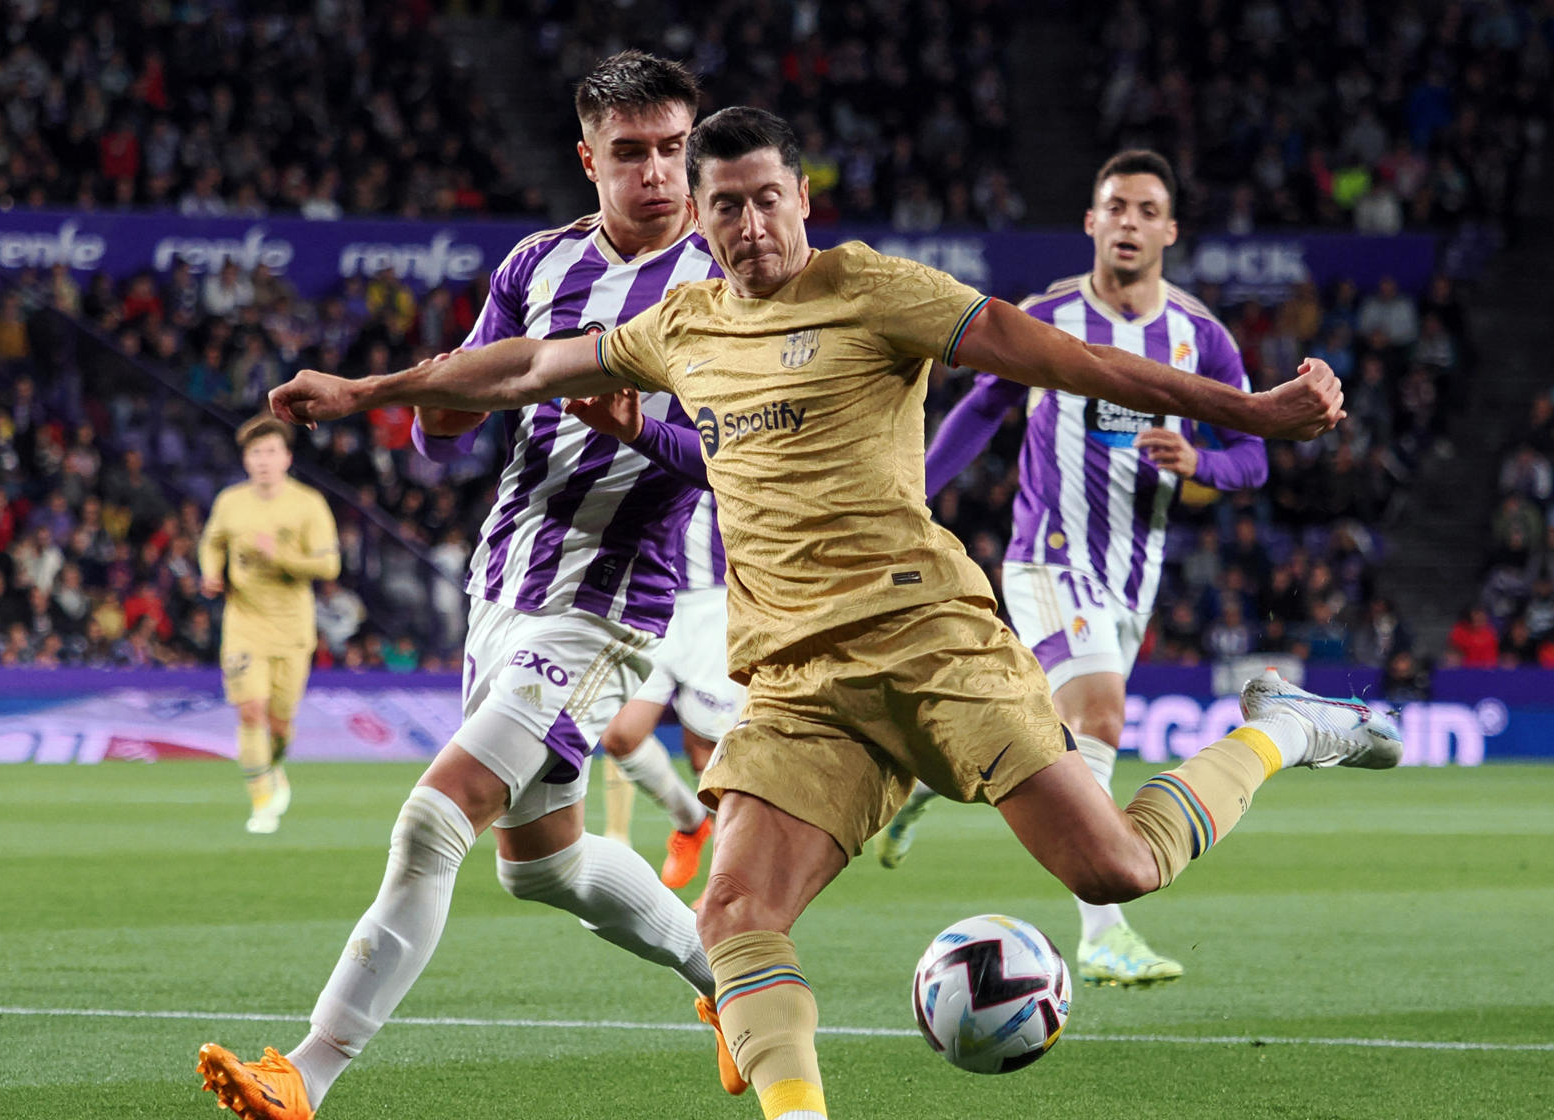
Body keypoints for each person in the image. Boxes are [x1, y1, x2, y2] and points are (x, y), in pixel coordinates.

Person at [263, 107, 1400, 1120]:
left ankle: (1285, 726)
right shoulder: (683, 324)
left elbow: (1074, 361)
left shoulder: (879, 289)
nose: (751, 222)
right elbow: (517, 369)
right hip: (800, 683)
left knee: (1114, 872)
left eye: (767, 198)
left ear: (802, 198)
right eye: (727, 207)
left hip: (935, 643)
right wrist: (366, 391)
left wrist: (1250, 411)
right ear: (701, 224)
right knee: (737, 911)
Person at [198, 52, 728, 1120]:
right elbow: (462, 408)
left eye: (675, 148)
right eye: (633, 153)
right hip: (507, 589)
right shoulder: (535, 266)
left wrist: (645, 431)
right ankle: (735, 980)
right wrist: (425, 413)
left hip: (607, 605)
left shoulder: (728, 283)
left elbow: (747, 459)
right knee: (546, 865)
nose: (661, 174)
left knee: (433, 821)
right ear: (589, 159)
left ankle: (305, 1072)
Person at [877, 149, 1268, 987]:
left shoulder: (1200, 337)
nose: (1128, 222)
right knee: (1098, 719)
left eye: (1145, 210)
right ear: (1091, 222)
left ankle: (933, 774)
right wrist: (911, 497)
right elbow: (980, 409)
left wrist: (1200, 465)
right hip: (1049, 558)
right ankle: (1101, 931)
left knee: (1052, 730)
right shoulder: (1048, 316)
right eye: (1114, 207)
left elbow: (1254, 460)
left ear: (1169, 229)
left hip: (1135, 574)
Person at [198, 415, 340, 834]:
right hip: (243, 621)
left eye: (271, 452)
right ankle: (261, 799)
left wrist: (277, 557)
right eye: (256, 453)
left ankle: (274, 764)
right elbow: (212, 540)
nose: (263, 460)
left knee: (279, 723)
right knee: (250, 711)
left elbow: (329, 565)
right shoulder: (230, 502)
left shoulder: (308, 504)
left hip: (293, 627)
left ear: (287, 458)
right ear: (246, 460)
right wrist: (211, 571)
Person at [597, 491, 740, 890]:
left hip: (713, 606)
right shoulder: (641, 432)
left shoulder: (725, 432)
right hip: (650, 599)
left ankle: (726, 888)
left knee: (707, 760)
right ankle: (690, 823)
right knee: (621, 737)